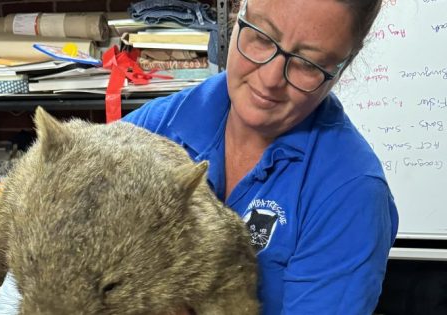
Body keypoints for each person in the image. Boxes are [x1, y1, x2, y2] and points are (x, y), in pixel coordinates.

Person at [122, 0, 398, 314]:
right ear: (237, 15)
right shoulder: (156, 126)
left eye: (308, 63)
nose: (270, 79)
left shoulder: (350, 194)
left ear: (340, 69)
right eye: (262, 37)